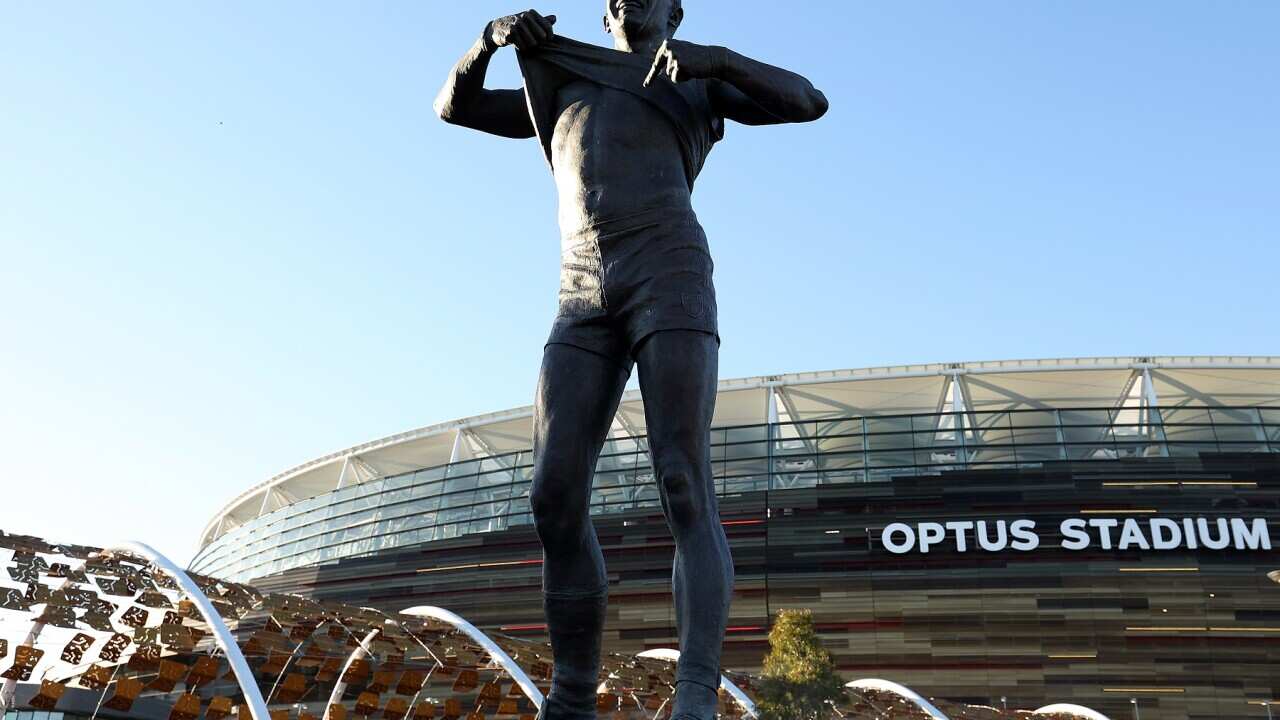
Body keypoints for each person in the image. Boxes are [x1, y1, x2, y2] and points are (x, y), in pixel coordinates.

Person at [435, 3, 826, 718]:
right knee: (552, 496)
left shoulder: (694, 78)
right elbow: (454, 109)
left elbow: (808, 101)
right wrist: (485, 43)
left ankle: (696, 693)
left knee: (681, 477)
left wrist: (720, 60)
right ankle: (573, 696)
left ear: (674, 9)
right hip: (581, 289)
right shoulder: (567, 74)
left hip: (668, 273)